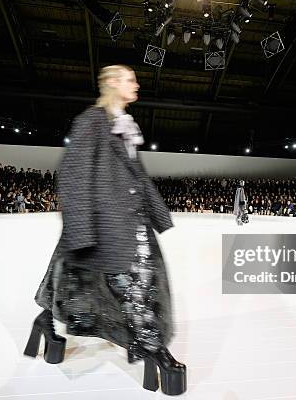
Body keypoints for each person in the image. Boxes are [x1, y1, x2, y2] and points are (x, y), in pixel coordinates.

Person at [26, 65, 186, 395]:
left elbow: (137, 176)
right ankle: (151, 346)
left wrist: (158, 214)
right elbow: (72, 174)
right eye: (130, 79)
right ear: (113, 83)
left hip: (131, 221)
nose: (137, 84)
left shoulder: (123, 124)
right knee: (122, 284)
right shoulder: (92, 120)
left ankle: (47, 322)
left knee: (93, 281)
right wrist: (82, 230)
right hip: (103, 222)